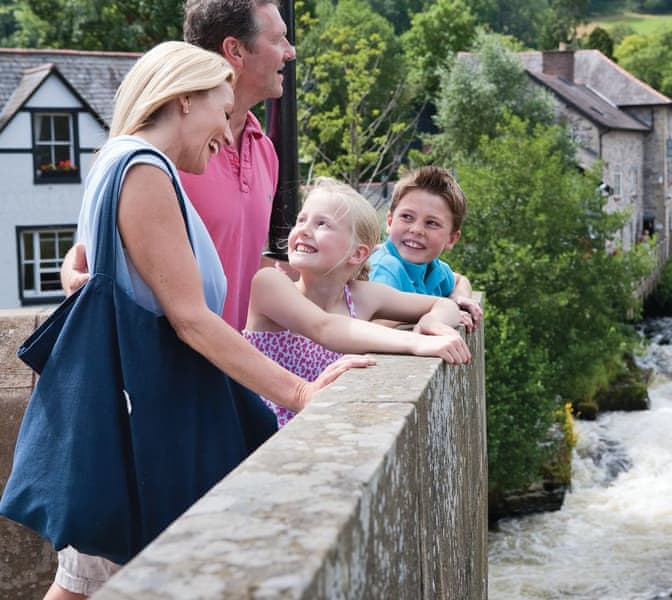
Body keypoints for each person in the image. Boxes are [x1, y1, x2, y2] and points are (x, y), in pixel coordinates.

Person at [44, 41, 374, 600]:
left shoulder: (117, 161)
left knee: (83, 584)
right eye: (221, 111)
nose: (226, 130)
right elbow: (191, 319)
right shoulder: (144, 170)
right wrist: (301, 392)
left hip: (123, 417)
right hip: (141, 428)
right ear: (184, 101)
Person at [61, 0, 296, 330]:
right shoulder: (164, 153)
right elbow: (99, 246)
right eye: (278, 39)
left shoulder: (265, 151)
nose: (290, 52)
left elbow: (242, 258)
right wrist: (73, 274)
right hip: (174, 358)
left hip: (226, 358)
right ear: (235, 50)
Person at [243, 178, 472, 427]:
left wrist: (432, 322)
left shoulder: (362, 296)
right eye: (301, 220)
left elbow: (445, 305)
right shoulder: (270, 284)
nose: (304, 230)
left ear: (357, 253)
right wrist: (417, 342)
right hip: (267, 437)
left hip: (329, 429)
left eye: (322, 224)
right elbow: (324, 327)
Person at [368, 166, 483, 330]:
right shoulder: (384, 267)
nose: (416, 230)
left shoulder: (433, 269)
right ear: (390, 222)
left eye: (432, 223)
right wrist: (440, 312)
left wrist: (457, 301)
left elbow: (461, 281)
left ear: (451, 239)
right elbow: (375, 324)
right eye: (407, 217)